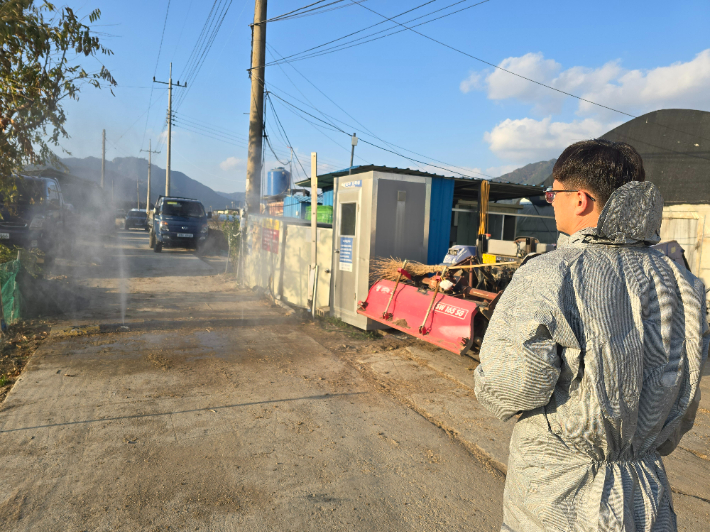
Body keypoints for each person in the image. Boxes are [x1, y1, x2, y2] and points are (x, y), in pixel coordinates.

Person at [474, 139, 709, 531]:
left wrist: (484, 382)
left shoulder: (551, 273)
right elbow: (686, 396)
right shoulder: (681, 281)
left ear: (580, 199)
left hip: (557, 495)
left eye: (554, 192)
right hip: (643, 493)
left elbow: (512, 384)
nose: (551, 201)